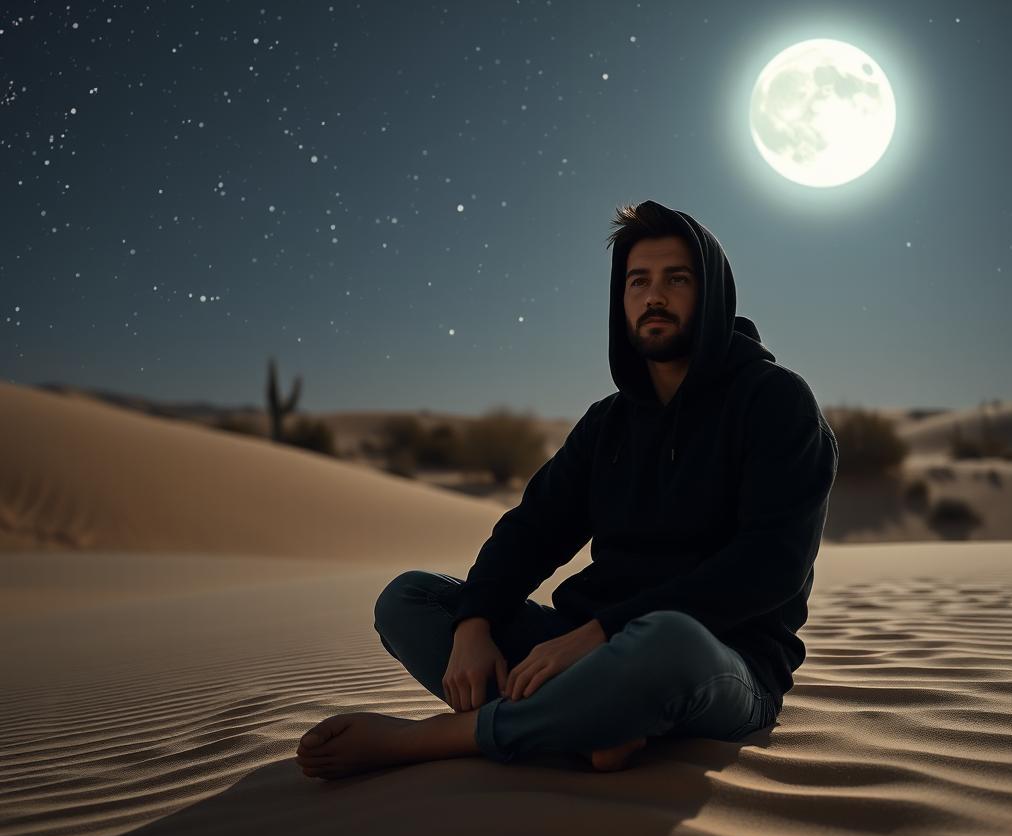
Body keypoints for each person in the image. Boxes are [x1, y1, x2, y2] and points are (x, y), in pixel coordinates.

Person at [296, 200, 838, 780]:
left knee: (667, 639)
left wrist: (602, 633)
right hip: (582, 649)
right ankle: (592, 724)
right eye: (638, 281)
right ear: (620, 298)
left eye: (677, 280)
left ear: (713, 296)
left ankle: (447, 738)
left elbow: (769, 566)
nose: (654, 296)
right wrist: (475, 623)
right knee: (409, 599)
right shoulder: (608, 422)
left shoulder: (776, 401)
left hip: (722, 665)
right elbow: (533, 528)